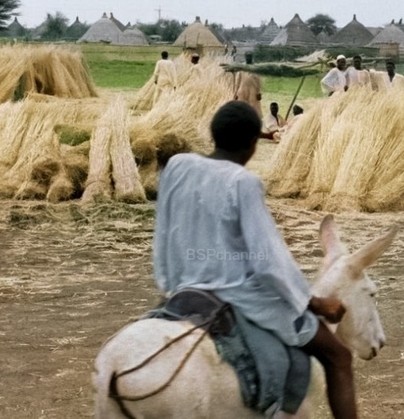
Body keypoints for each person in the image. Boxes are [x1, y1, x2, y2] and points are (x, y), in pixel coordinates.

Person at [153, 102, 357, 418]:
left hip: (181, 288)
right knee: (339, 357)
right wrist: (313, 303)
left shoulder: (177, 166)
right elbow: (269, 261)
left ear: (214, 134)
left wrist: (168, 282)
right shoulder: (242, 182)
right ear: (252, 146)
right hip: (235, 295)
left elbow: (165, 227)